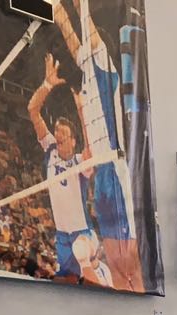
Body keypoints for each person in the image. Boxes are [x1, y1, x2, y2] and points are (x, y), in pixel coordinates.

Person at [53, 0, 143, 291]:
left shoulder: (103, 61)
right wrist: (56, 10)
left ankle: (141, 295)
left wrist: (78, 7)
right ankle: (121, 298)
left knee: (130, 260)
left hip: (115, 168)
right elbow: (70, 37)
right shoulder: (86, 79)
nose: (79, 50)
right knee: (115, 259)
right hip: (101, 173)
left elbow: (87, 32)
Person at [26, 53, 110, 285]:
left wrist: (80, 104)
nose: (58, 134)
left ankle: (100, 270)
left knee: (81, 253)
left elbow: (89, 138)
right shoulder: (50, 150)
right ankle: (94, 268)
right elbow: (33, 110)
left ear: (73, 141)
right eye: (57, 131)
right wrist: (47, 84)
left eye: (64, 132)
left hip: (83, 234)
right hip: (62, 237)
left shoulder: (80, 162)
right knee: (66, 284)